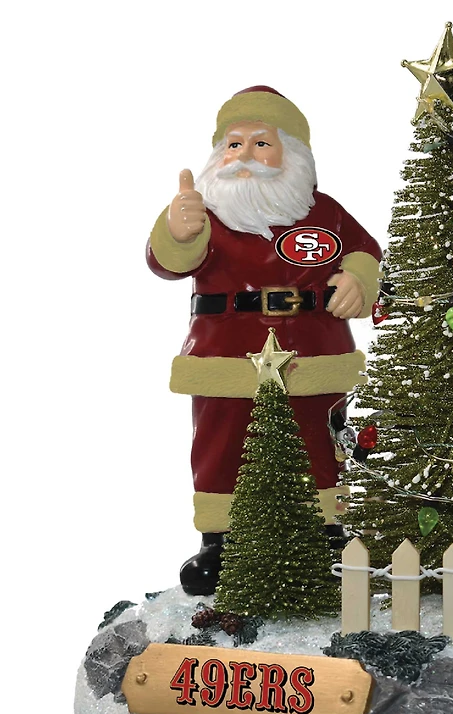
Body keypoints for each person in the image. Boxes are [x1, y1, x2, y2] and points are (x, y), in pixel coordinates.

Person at [146, 86, 382, 595]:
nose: (245, 155)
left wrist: (358, 280)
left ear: (292, 155)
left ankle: (327, 528)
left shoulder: (325, 212)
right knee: (222, 441)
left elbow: (365, 251)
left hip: (313, 348)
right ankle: (221, 539)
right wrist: (176, 233)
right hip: (225, 351)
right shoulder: (202, 215)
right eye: (234, 144)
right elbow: (168, 263)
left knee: (318, 438)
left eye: (261, 143)